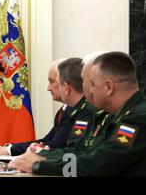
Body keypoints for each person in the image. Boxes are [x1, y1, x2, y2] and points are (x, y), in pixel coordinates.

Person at [9, 52, 146, 176]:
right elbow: (84, 152)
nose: (89, 91)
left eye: (92, 84)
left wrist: (38, 165)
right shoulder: (116, 115)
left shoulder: (137, 118)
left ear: (108, 87)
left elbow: (98, 164)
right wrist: (43, 155)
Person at [0, 59, 76, 156]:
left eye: (52, 81)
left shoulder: (75, 111)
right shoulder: (63, 111)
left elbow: (56, 145)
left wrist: (10, 150)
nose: (48, 88)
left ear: (65, 83)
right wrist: (9, 148)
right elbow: (47, 140)